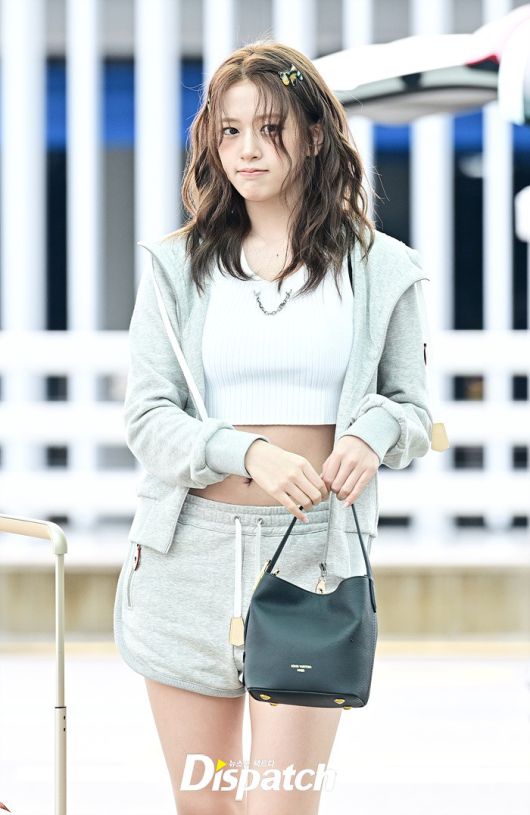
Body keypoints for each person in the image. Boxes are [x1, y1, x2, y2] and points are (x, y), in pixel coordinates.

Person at [113, 39, 433, 815]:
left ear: (315, 135)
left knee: (282, 806)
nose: (247, 150)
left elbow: (412, 410)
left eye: (270, 128)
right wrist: (246, 451)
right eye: (229, 131)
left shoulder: (381, 268)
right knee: (206, 805)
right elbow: (147, 419)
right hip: (185, 557)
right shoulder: (175, 268)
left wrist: (372, 432)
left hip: (313, 562)